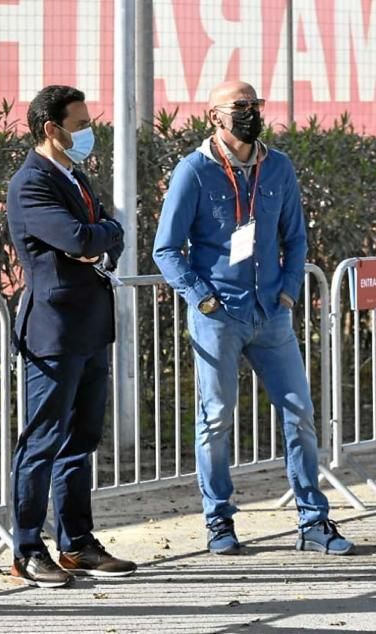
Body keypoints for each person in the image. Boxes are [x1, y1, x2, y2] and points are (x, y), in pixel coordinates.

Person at [153, 80, 354, 556]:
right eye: (240, 106)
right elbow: (166, 249)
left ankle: (314, 522)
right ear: (214, 116)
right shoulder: (195, 171)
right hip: (218, 315)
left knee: (301, 414)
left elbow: (296, 239)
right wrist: (202, 299)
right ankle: (219, 521)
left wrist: (287, 294)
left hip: (270, 314)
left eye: (255, 104)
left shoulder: (278, 167)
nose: (251, 112)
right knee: (216, 419)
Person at [5, 85, 137, 588]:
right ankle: (27, 549)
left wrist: (100, 241)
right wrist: (98, 238)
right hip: (52, 333)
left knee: (81, 441)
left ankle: (77, 543)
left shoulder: (75, 175)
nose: (88, 132)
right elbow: (81, 237)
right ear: (50, 130)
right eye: (80, 124)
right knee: (41, 442)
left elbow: (111, 233)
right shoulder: (32, 183)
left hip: (90, 329)